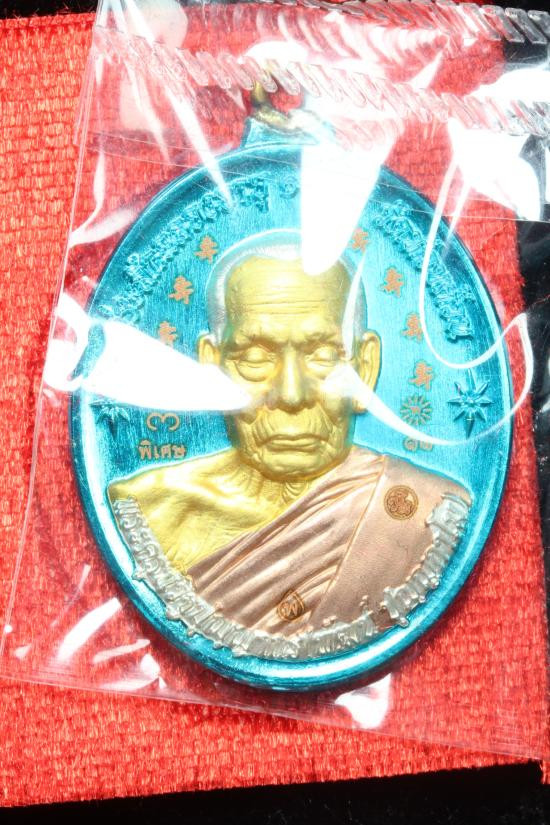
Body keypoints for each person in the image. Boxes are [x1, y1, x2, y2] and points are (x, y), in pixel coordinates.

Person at [109, 230, 470, 637]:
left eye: (323, 355)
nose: (291, 394)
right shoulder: (153, 510)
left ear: (365, 369)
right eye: (255, 357)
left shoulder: (428, 512)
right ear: (212, 369)